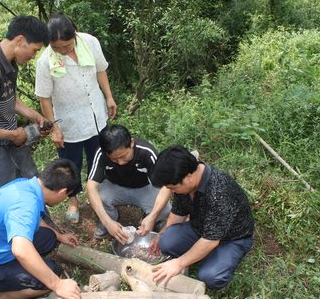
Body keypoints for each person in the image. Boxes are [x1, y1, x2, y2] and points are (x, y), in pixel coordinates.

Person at [0, 158, 81, 299]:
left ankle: (18, 267)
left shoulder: (25, 185)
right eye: (66, 197)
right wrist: (57, 284)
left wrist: (59, 236)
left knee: (49, 237)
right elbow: (21, 250)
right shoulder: (26, 204)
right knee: (52, 272)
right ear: (62, 192)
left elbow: (34, 218)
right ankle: (1, 297)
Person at [35, 12, 117, 223]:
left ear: (75, 35)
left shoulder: (90, 42)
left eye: (68, 45)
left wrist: (108, 97)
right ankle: (73, 202)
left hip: (96, 115)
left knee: (98, 158)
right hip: (68, 123)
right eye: (58, 47)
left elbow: (101, 71)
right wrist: (54, 128)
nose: (63, 50)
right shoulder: (45, 61)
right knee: (69, 165)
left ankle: (97, 197)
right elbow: (44, 98)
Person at [149, 146, 254, 290]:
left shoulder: (219, 191)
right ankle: (201, 253)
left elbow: (211, 240)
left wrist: (178, 263)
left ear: (188, 177)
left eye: (172, 188)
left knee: (210, 277)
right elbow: (178, 214)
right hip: (200, 228)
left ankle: (216, 256)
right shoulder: (182, 182)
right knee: (166, 241)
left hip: (232, 238)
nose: (171, 191)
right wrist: (160, 234)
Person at [0, 15, 51, 194]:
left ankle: (38, 221)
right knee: (8, 197)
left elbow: (9, 98)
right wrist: (13, 135)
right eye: (35, 50)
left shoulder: (8, 61)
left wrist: (35, 116)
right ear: (20, 40)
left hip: (12, 140)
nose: (34, 55)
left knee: (31, 187)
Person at [86, 124, 171, 244]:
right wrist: (107, 222)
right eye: (114, 159)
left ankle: (156, 221)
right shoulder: (101, 153)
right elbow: (91, 186)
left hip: (144, 188)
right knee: (99, 196)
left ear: (131, 143)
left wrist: (152, 216)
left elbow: (166, 187)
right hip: (115, 187)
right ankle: (110, 221)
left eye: (123, 156)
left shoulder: (146, 152)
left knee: (165, 208)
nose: (120, 162)